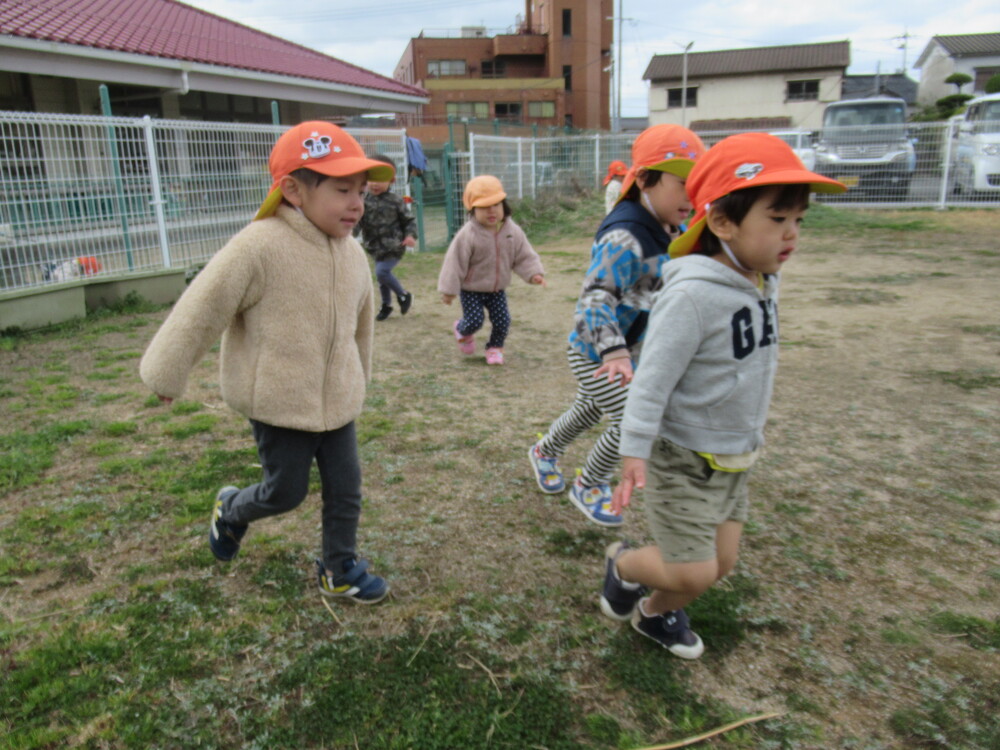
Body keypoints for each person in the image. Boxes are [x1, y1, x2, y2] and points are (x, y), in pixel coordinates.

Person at [599, 132, 846, 658]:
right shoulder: (690, 295)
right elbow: (653, 380)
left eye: (798, 221)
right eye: (777, 220)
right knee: (694, 567)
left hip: (736, 456)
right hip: (683, 457)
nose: (792, 234)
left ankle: (652, 614)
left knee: (721, 564)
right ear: (722, 222)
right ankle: (622, 565)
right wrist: (634, 450)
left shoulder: (761, 280)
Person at [139, 121, 394, 604]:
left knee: (347, 489)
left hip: (337, 401)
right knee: (285, 493)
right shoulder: (259, 246)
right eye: (342, 190)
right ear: (294, 190)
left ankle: (339, 567)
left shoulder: (355, 254)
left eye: (361, 190)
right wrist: (168, 370)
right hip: (279, 401)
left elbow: (363, 326)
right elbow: (203, 307)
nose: (358, 203)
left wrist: (359, 378)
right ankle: (232, 510)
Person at [527, 124, 705, 527]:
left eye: (697, 184)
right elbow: (593, 300)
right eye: (682, 184)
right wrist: (616, 351)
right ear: (644, 179)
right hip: (596, 354)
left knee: (589, 410)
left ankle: (543, 452)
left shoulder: (670, 228)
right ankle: (590, 484)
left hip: (627, 355)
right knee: (632, 422)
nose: (691, 196)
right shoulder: (625, 236)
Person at [437, 175, 546, 366]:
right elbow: (454, 264)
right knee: (474, 321)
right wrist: (448, 291)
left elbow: (523, 255)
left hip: (497, 290)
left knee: (503, 321)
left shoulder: (512, 231)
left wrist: (533, 273)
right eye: (484, 207)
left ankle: (495, 348)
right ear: (472, 209)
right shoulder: (468, 234)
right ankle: (462, 330)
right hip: (472, 289)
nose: (491, 211)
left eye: (496, 204)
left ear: (504, 205)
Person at [354, 153, 417, 321]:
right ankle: (386, 305)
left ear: (392, 181)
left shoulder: (395, 201)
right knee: (382, 278)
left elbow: (408, 220)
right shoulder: (363, 201)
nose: (375, 183)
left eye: (380, 179)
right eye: (371, 179)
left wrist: (410, 236)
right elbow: (358, 222)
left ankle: (403, 295)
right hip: (375, 247)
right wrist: (349, 235)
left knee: (382, 272)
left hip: (394, 245)